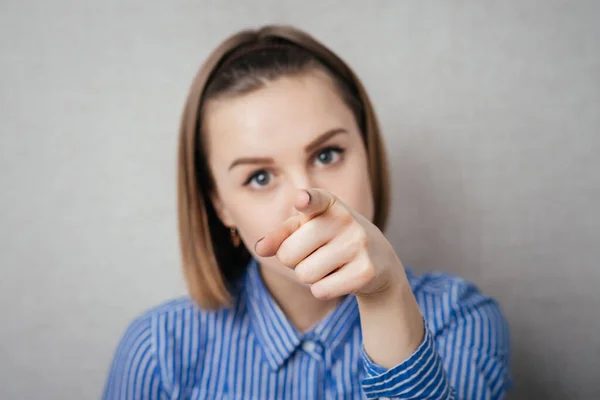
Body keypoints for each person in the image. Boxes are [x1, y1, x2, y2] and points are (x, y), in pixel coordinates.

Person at [102, 25, 512, 399]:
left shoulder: (459, 318)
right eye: (260, 177)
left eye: (328, 154)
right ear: (220, 206)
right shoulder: (158, 349)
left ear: (368, 153)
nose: (306, 199)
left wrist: (386, 298)